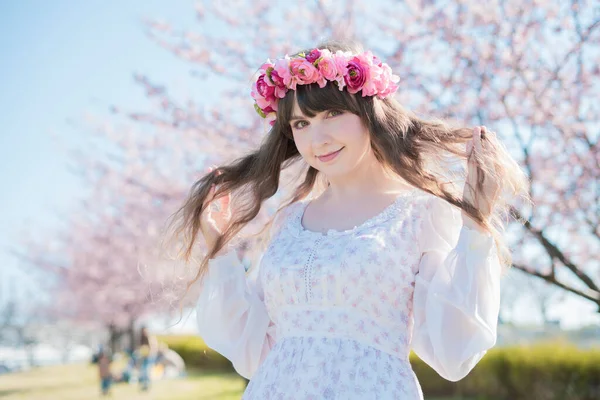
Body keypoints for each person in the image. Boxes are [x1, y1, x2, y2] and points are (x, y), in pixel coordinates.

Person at [166, 40, 529, 399]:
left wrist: (476, 226)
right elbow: (252, 347)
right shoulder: (290, 220)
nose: (317, 138)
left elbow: (454, 349)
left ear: (370, 112)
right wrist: (220, 250)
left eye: (332, 114)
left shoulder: (420, 215)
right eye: (301, 123)